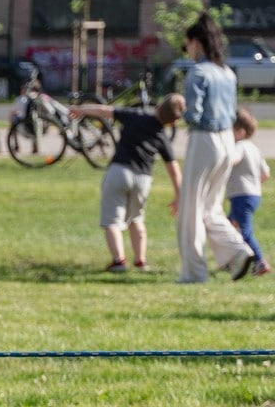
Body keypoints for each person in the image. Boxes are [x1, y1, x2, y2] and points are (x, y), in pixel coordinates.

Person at [175, 16, 251, 284]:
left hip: (204, 140)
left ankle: (194, 272)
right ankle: (238, 251)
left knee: (191, 209)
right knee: (212, 207)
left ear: (196, 42)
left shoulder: (198, 73)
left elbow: (193, 115)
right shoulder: (227, 72)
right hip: (227, 140)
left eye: (187, 46)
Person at [70, 95, 183, 273]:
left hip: (119, 171)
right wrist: (179, 196)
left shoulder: (135, 115)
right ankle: (140, 260)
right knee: (137, 219)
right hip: (143, 178)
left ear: (158, 106)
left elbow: (104, 111)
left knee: (112, 220)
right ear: (172, 123)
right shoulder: (161, 135)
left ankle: (119, 261)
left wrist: (80, 110)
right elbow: (173, 168)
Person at [227, 107, 270, 277]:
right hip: (253, 195)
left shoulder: (240, 146)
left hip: (241, 196)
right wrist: (254, 185)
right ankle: (231, 260)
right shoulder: (254, 148)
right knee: (229, 226)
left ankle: (260, 262)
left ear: (240, 131)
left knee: (245, 231)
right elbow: (266, 173)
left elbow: (233, 159)